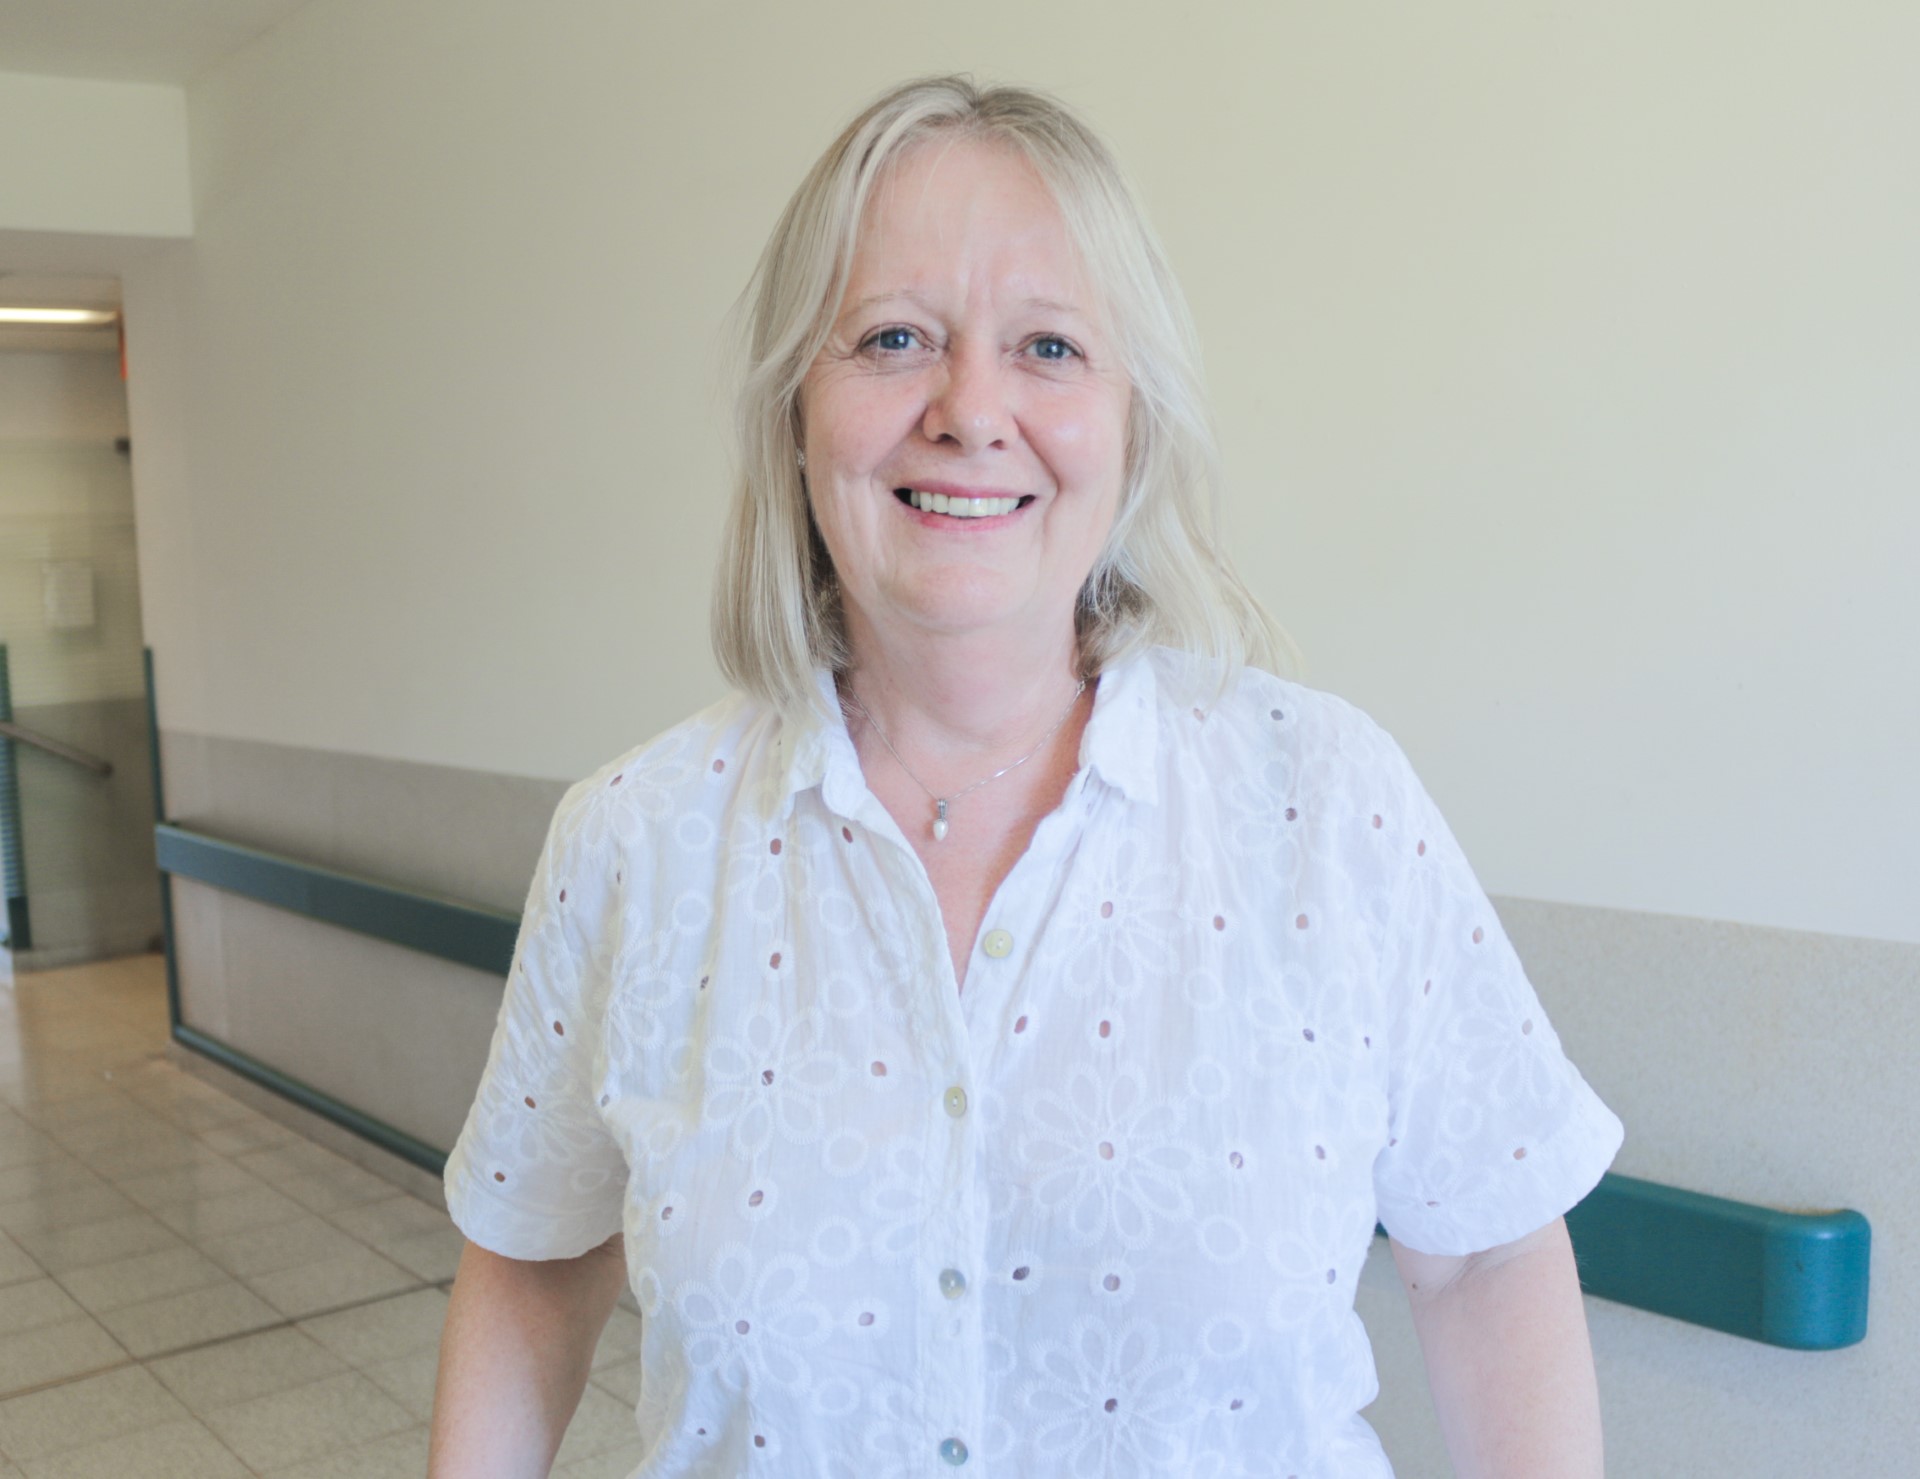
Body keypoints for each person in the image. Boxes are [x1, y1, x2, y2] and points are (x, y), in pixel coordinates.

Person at [428, 74, 1623, 1479]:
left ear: (1132, 419)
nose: (971, 410)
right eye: (893, 338)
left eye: (1049, 346)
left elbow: (1485, 1261)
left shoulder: (1327, 803)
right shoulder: (636, 842)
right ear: (795, 410)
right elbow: (533, 1261)